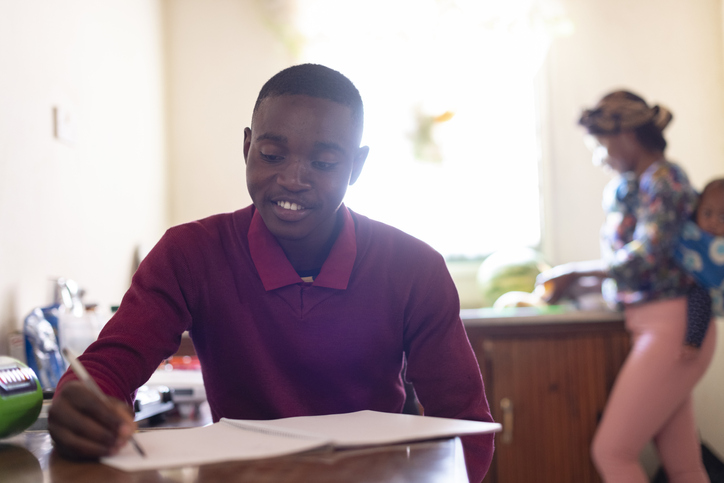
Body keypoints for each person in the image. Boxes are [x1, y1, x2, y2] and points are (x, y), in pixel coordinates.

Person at [47, 64, 495, 481]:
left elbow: (466, 428)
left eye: (323, 163)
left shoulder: (414, 268)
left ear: (356, 167)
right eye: (272, 154)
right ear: (247, 148)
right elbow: (106, 369)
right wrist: (80, 405)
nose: (293, 179)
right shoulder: (188, 254)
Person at [537, 90, 716, 483]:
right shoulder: (640, 183)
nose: (601, 156)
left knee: (612, 452)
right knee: (684, 465)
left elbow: (647, 255)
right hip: (661, 325)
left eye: (602, 145)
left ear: (628, 136)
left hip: (672, 327)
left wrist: (581, 272)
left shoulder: (665, 179)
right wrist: (584, 279)